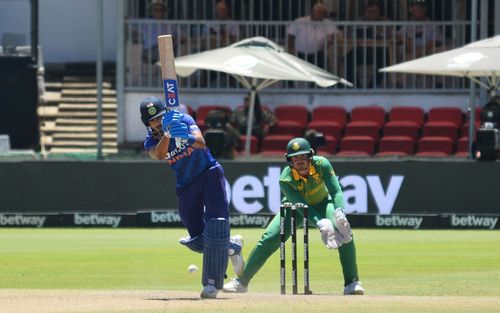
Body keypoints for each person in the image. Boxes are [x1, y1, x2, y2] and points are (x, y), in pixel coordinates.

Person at [223, 137, 364, 295]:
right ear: (289, 160)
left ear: (310, 156)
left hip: (323, 204)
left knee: (343, 229)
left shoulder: (322, 164)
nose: (300, 161)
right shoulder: (286, 179)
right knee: (269, 238)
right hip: (293, 208)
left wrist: (339, 212)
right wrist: (320, 223)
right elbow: (302, 206)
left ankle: (352, 283)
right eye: (295, 157)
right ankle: (241, 282)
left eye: (303, 156)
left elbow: (336, 190)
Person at [139, 96, 244, 299]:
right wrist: (168, 134)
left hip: (209, 173)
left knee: (217, 224)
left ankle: (212, 283)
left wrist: (184, 135)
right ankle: (231, 247)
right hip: (186, 184)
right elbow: (159, 154)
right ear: (147, 123)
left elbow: (201, 142)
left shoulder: (184, 120)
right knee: (197, 238)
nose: (158, 122)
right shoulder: (150, 140)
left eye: (161, 117)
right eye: (153, 120)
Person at [396, 0, 442, 87]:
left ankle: (438, 83)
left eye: (416, 10)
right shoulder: (408, 24)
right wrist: (405, 40)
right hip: (412, 52)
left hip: (429, 52)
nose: (413, 12)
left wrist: (422, 51)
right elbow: (398, 35)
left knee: (438, 54)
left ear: (423, 11)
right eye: (413, 10)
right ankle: (400, 84)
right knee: (408, 54)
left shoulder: (433, 25)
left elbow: (435, 41)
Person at [345, 0, 391, 88]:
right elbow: (351, 33)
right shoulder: (360, 21)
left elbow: (389, 35)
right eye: (370, 11)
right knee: (348, 57)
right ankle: (354, 86)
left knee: (385, 59)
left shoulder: (385, 21)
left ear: (379, 11)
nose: (372, 14)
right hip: (361, 51)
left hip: (378, 51)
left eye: (375, 12)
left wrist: (378, 34)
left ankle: (372, 86)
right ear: (366, 11)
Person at [287, 2, 341, 71]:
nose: (322, 14)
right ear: (313, 12)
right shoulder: (301, 21)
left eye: (323, 12)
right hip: (300, 54)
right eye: (319, 12)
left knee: (321, 71)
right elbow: (290, 35)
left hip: (317, 54)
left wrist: (328, 43)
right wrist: (290, 50)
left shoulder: (327, 22)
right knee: (293, 71)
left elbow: (334, 35)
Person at [139, 0, 178, 65]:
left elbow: (181, 36)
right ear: (152, 11)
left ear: (164, 11)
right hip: (150, 51)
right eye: (156, 10)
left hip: (167, 50)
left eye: (161, 10)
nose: (158, 12)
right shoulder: (145, 22)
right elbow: (129, 24)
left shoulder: (170, 24)